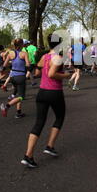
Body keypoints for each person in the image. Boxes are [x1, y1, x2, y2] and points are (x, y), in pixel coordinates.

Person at [21, 33, 71, 168]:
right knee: (60, 117)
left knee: (39, 123)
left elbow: (37, 73)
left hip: (42, 93)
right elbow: (52, 74)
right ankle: (49, 146)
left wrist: (39, 69)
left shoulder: (44, 57)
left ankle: (28, 155)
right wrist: (67, 75)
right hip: (54, 93)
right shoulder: (58, 57)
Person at [0, 39, 30, 119]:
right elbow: (28, 65)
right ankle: (6, 106)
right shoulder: (24, 53)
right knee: (21, 96)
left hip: (12, 76)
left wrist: (2, 72)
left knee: (18, 94)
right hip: (20, 76)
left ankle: (18, 112)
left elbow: (4, 65)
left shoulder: (10, 53)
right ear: (21, 44)